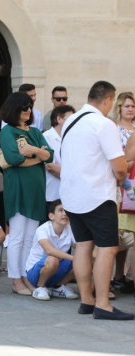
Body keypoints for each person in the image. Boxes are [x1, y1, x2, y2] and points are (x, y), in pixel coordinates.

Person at [60, 80, 134, 320]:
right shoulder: (103, 124)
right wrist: (122, 180)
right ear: (108, 100)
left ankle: (87, 301)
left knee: (83, 245)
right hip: (97, 196)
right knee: (108, 247)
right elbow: (120, 168)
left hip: (71, 195)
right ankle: (103, 304)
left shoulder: (71, 120)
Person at [0, 92, 53, 296]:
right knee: (17, 236)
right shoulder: (8, 132)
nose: (28, 110)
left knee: (31, 237)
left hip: (36, 190)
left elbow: (50, 155)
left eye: (30, 107)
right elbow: (14, 159)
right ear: (14, 109)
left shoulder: (35, 132)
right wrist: (38, 154)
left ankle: (27, 276)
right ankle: (16, 279)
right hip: (18, 189)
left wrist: (33, 151)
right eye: (24, 107)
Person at [26, 200, 78, 301]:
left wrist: (98, 256)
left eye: (66, 211)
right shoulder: (42, 229)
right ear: (51, 216)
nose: (65, 214)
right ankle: (39, 288)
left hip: (55, 270)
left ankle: (59, 288)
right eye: (60, 210)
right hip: (35, 273)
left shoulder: (69, 229)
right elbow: (49, 250)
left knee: (83, 260)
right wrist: (74, 258)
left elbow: (82, 246)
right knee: (53, 259)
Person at [111, 92, 135, 292]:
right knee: (120, 233)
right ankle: (116, 275)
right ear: (119, 107)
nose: (130, 109)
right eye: (126, 106)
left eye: (133, 106)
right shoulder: (114, 128)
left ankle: (122, 275)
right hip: (121, 182)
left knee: (130, 234)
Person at [42, 105, 75, 206]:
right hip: (52, 195)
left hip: (71, 194)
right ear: (59, 119)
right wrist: (73, 176)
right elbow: (49, 166)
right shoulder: (46, 137)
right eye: (70, 119)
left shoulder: (73, 137)